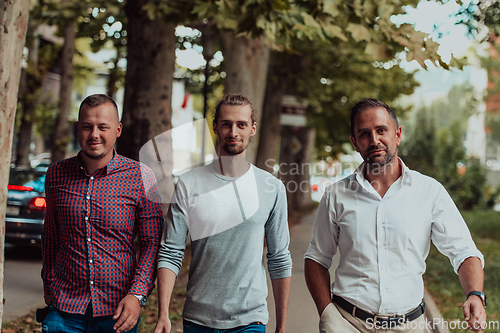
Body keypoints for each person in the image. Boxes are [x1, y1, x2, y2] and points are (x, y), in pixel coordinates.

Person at [304, 98, 487, 333]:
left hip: (410, 325)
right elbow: (316, 258)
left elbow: (463, 251)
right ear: (354, 142)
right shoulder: (336, 195)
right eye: (364, 134)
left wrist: (475, 294)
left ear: (397, 134)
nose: (374, 140)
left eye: (381, 130)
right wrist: (326, 312)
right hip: (348, 323)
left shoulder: (429, 192)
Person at [154, 94, 292, 333]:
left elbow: (279, 258)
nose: (233, 131)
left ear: (253, 129)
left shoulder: (271, 187)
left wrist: (281, 326)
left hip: (250, 320)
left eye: (241, 124)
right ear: (215, 126)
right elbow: (171, 251)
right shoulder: (189, 184)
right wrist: (163, 314)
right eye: (226, 124)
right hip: (198, 319)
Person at [41, 94, 164, 333]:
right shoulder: (55, 175)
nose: (94, 134)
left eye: (102, 127)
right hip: (64, 308)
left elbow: (152, 243)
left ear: (117, 130)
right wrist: (48, 283)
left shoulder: (141, 176)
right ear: (78, 128)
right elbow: (51, 235)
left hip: (118, 311)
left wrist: (137, 294)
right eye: (87, 127)